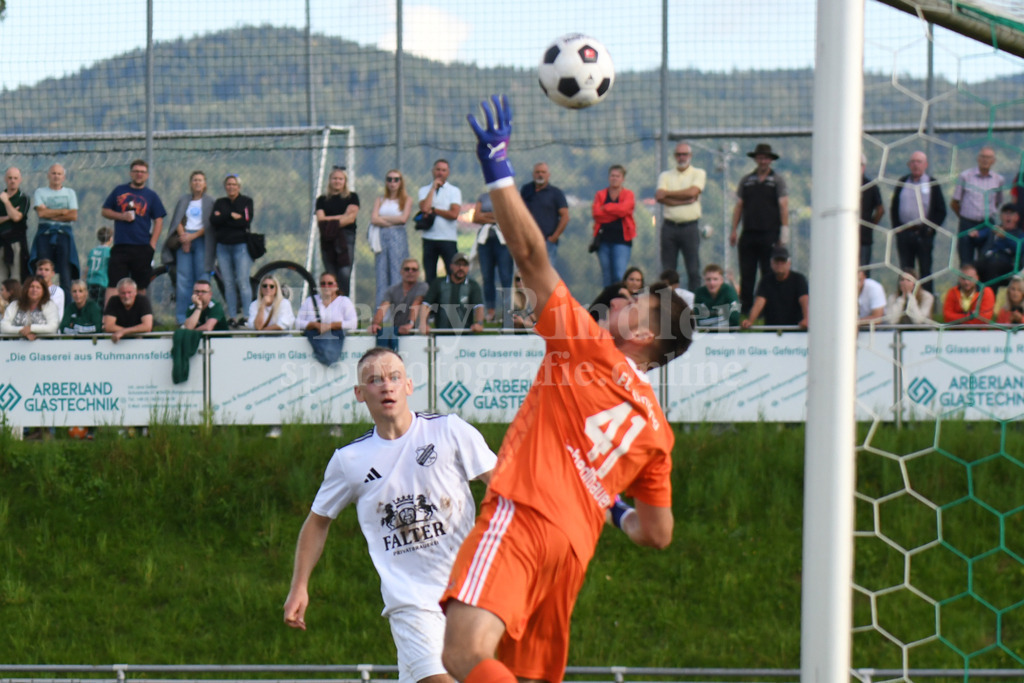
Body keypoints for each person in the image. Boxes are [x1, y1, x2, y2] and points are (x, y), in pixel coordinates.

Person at [441, 94, 692, 683]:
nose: (624, 301)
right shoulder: (657, 432)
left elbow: (531, 255)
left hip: (525, 515)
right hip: (571, 551)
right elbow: (658, 534)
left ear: (645, 334)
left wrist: (498, 168)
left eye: (637, 303)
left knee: (462, 652)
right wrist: (613, 506)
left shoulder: (589, 348)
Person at [283, 347, 497, 683]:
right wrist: (299, 586)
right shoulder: (350, 460)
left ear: (408, 385)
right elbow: (317, 522)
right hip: (410, 601)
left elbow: (504, 485)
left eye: (394, 377)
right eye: (375, 380)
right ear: (359, 393)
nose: (387, 386)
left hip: (466, 595)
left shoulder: (449, 431)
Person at [730, 143, 790, 315]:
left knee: (768, 273)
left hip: (770, 233)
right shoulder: (747, 181)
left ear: (770, 160)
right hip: (749, 232)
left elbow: (784, 205)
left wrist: (784, 230)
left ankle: (766, 310)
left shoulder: (776, 181)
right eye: (760, 157)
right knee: (747, 274)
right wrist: (734, 229)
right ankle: (746, 310)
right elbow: (739, 205)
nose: (763, 161)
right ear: (756, 159)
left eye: (766, 158)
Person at [101, 159, 167, 301]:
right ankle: (109, 314)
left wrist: (152, 244)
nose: (139, 174)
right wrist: (121, 216)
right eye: (136, 171)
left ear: (147, 175)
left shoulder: (151, 196)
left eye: (142, 172)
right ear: (131, 173)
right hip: (121, 245)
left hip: (142, 246)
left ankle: (141, 314)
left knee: (140, 286)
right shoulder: (119, 191)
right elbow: (105, 211)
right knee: (114, 285)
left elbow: (159, 220)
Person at [890, 150, 946, 294]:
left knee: (925, 269)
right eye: (913, 162)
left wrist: (930, 229)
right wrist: (897, 228)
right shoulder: (902, 182)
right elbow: (894, 207)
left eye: (919, 162)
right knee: (905, 270)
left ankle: (926, 300)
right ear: (909, 165)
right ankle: (905, 299)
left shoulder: (932, 183)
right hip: (904, 233)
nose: (916, 165)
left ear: (925, 165)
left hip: (924, 234)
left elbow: (941, 210)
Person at [166, 171, 216, 324]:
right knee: (183, 280)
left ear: (205, 183)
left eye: (200, 180)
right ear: (190, 183)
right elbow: (177, 220)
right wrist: (184, 238)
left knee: (202, 278)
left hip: (202, 240)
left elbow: (210, 224)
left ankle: (202, 316)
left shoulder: (210, 201)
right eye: (194, 180)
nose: (197, 183)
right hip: (184, 240)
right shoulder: (184, 200)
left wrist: (192, 237)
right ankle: (183, 318)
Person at [657, 142, 707, 291]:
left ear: (690, 156)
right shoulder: (665, 175)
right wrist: (685, 200)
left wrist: (669, 195)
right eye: (679, 154)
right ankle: (667, 302)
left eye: (685, 154)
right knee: (668, 271)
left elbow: (693, 192)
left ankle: (694, 301)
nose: (682, 157)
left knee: (693, 269)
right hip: (669, 226)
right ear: (674, 156)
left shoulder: (698, 173)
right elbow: (659, 196)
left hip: (690, 226)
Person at [210, 174, 255, 324]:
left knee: (242, 281)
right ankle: (232, 316)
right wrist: (231, 215)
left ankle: (247, 315)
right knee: (228, 283)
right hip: (222, 247)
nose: (231, 187)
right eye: (228, 184)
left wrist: (224, 217)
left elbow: (245, 221)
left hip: (240, 246)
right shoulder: (220, 202)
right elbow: (214, 220)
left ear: (239, 187)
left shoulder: (246, 202)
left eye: (234, 184)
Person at [32, 163, 81, 300]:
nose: (56, 176)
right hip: (45, 234)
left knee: (65, 273)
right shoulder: (40, 192)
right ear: (48, 175)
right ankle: (41, 301)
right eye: (53, 173)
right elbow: (41, 213)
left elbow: (73, 216)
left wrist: (49, 212)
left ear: (63, 177)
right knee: (43, 271)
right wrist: (63, 211)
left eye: (59, 174)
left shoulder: (70, 193)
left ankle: (66, 306)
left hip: (64, 234)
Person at [951, 146, 1004, 267]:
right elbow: (954, 203)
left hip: (987, 224)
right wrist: (965, 217)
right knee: (965, 261)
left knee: (985, 260)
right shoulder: (965, 176)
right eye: (983, 157)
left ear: (993, 161)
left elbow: (997, 202)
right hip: (967, 224)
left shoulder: (998, 179)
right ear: (978, 159)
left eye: (989, 157)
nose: (985, 160)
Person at [369, 169, 413, 307]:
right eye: (389, 179)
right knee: (381, 274)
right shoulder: (380, 200)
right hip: (381, 238)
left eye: (396, 180)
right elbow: (374, 219)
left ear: (401, 182)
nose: (392, 183)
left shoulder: (406, 200)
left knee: (397, 272)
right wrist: (391, 221)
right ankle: (381, 310)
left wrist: (383, 219)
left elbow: (403, 219)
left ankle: (399, 309)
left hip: (398, 237)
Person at [316, 166, 361, 298]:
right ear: (330, 180)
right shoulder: (322, 200)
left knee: (344, 273)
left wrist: (329, 221)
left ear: (345, 181)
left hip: (346, 238)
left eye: (340, 179)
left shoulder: (352, 197)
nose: (337, 181)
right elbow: (320, 220)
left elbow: (351, 219)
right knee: (331, 274)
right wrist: (342, 216)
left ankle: (343, 300)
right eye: (335, 178)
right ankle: (330, 301)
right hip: (327, 239)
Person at [740, 246, 808, 329]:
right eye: (776, 261)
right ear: (771, 263)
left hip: (795, 329)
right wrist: (750, 320)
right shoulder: (766, 281)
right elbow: (759, 302)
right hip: (772, 330)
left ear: (789, 263)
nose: (779, 264)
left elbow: (804, 300)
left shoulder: (799, 279)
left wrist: (806, 319)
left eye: (783, 261)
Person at [591, 165, 637, 288]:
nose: (614, 178)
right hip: (603, 240)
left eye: (618, 176)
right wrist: (616, 212)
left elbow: (624, 210)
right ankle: (608, 299)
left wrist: (606, 207)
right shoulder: (600, 195)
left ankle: (620, 298)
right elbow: (597, 214)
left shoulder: (628, 194)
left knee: (619, 275)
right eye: (612, 176)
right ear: (608, 177)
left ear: (623, 179)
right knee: (606, 276)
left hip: (622, 240)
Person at [418, 159, 462, 284]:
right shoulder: (424, 190)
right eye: (438, 169)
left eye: (443, 170)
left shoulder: (454, 191)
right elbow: (424, 208)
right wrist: (433, 188)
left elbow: (453, 214)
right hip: (429, 238)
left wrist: (434, 210)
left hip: (448, 238)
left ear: (448, 172)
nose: (440, 173)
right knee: (430, 276)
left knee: (452, 274)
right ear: (433, 171)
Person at [417, 252, 484, 334]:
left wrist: (479, 323)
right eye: (458, 264)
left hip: (465, 335)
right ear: (451, 266)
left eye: (465, 265)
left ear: (468, 268)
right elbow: (426, 304)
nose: (461, 268)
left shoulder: (473, 285)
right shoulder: (439, 283)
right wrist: (423, 323)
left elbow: (479, 306)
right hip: (442, 334)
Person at [472, 190, 513, 323]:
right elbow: (476, 217)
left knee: (506, 277)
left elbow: (508, 217)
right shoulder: (483, 197)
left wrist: (485, 215)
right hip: (485, 242)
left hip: (503, 242)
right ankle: (491, 311)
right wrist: (495, 216)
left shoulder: (507, 196)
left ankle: (508, 311)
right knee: (487, 277)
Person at [520, 162, 569, 272]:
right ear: (533, 174)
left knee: (546, 273)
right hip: (528, 241)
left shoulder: (556, 193)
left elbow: (565, 216)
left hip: (547, 242)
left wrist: (554, 237)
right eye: (537, 172)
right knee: (525, 273)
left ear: (548, 175)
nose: (540, 175)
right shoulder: (526, 190)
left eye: (543, 172)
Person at [369, 258, 428, 344]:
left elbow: (417, 303)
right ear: (401, 271)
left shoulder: (423, 286)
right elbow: (383, 308)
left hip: (417, 332)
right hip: (398, 332)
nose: (410, 272)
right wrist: (376, 324)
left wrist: (410, 323)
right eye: (407, 269)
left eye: (414, 270)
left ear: (418, 273)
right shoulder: (392, 289)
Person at [975, 203, 1023, 291]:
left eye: (1011, 213)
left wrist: (1005, 236)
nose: (1008, 216)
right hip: (986, 259)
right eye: (1005, 213)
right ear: (1001, 216)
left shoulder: (1020, 234)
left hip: (1006, 265)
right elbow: (980, 235)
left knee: (992, 268)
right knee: (970, 268)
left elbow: (1019, 248)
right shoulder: (994, 229)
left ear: (1017, 217)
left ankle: (989, 297)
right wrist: (975, 234)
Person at [1, 275, 59, 339]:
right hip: (15, 344)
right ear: (26, 289)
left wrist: (31, 329)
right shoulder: (15, 304)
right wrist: (21, 330)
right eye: (31, 287)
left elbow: (53, 327)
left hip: (45, 344)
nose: (34, 290)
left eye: (38, 287)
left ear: (43, 290)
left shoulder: (49, 305)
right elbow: (3, 326)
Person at [0, 166, 30, 282]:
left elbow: (17, 217)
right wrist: (9, 216)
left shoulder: (23, 198)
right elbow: (13, 216)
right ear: (5, 179)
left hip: (16, 243)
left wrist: (6, 202)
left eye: (15, 178)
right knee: (1, 278)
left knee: (16, 277)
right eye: (10, 178)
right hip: (1, 242)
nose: (12, 181)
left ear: (20, 180)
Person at [102, 277, 154, 342]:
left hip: (143, 342)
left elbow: (147, 326)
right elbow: (108, 327)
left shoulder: (143, 300)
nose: (126, 296)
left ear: (135, 292)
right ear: (118, 293)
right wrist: (132, 332)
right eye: (123, 293)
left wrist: (123, 332)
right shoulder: (113, 301)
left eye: (129, 292)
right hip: (120, 342)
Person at [693, 263, 741, 328]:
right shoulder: (699, 293)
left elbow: (734, 318)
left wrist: (710, 315)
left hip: (729, 332)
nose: (712, 283)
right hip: (707, 333)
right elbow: (699, 320)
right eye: (708, 279)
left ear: (721, 280)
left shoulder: (729, 291)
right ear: (704, 280)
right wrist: (722, 314)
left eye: (715, 279)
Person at [859, 154, 885, 273]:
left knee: (862, 271)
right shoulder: (841, 185)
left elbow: (880, 210)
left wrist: (870, 225)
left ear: (864, 167)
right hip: (842, 237)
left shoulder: (870, 186)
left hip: (864, 238)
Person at [84, 227, 113, 304]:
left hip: (90, 281)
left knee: (91, 304)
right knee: (99, 305)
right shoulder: (109, 252)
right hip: (102, 282)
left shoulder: (93, 251)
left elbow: (87, 268)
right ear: (110, 239)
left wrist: (84, 280)